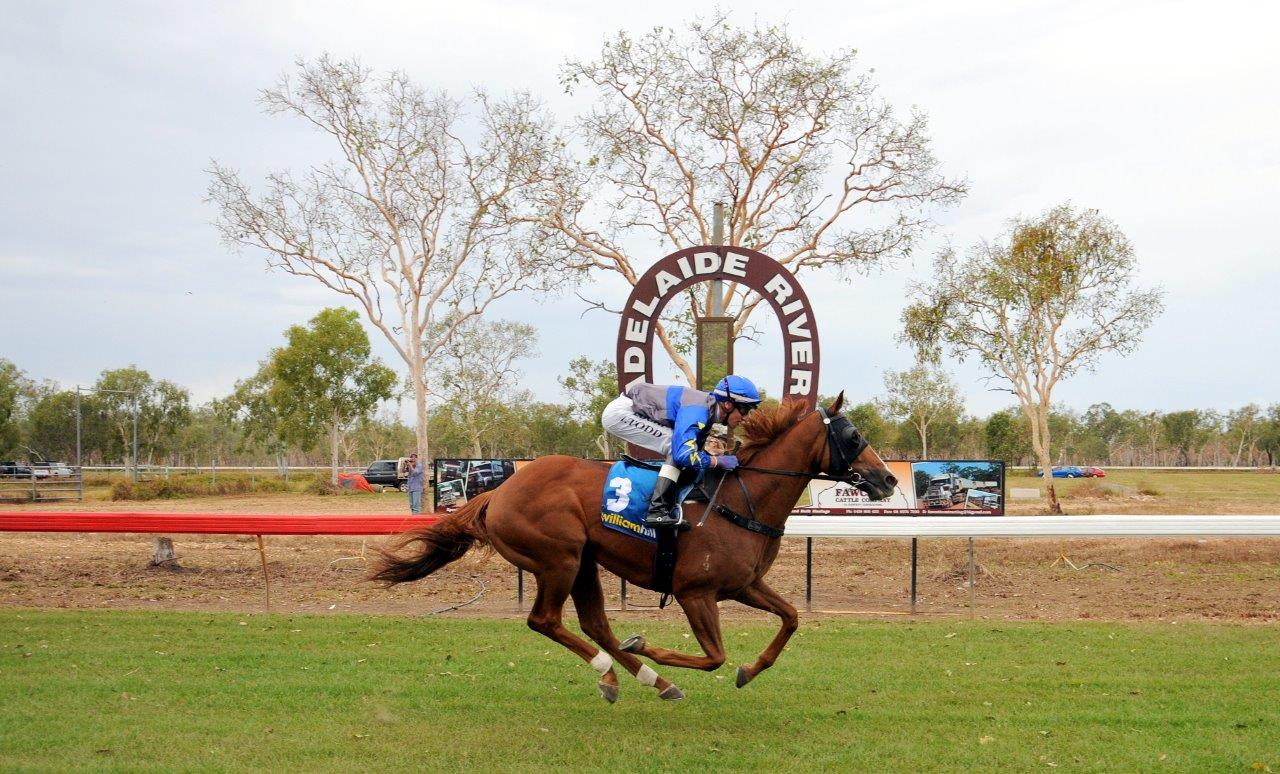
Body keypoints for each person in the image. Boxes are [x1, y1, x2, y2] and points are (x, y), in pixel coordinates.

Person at [601, 374, 761, 527]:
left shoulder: (708, 410)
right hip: (620, 414)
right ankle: (657, 510)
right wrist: (716, 461)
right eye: (744, 410)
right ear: (728, 404)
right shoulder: (698, 411)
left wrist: (712, 458)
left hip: (632, 409)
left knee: (686, 448)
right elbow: (684, 456)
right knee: (676, 446)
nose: (745, 417)